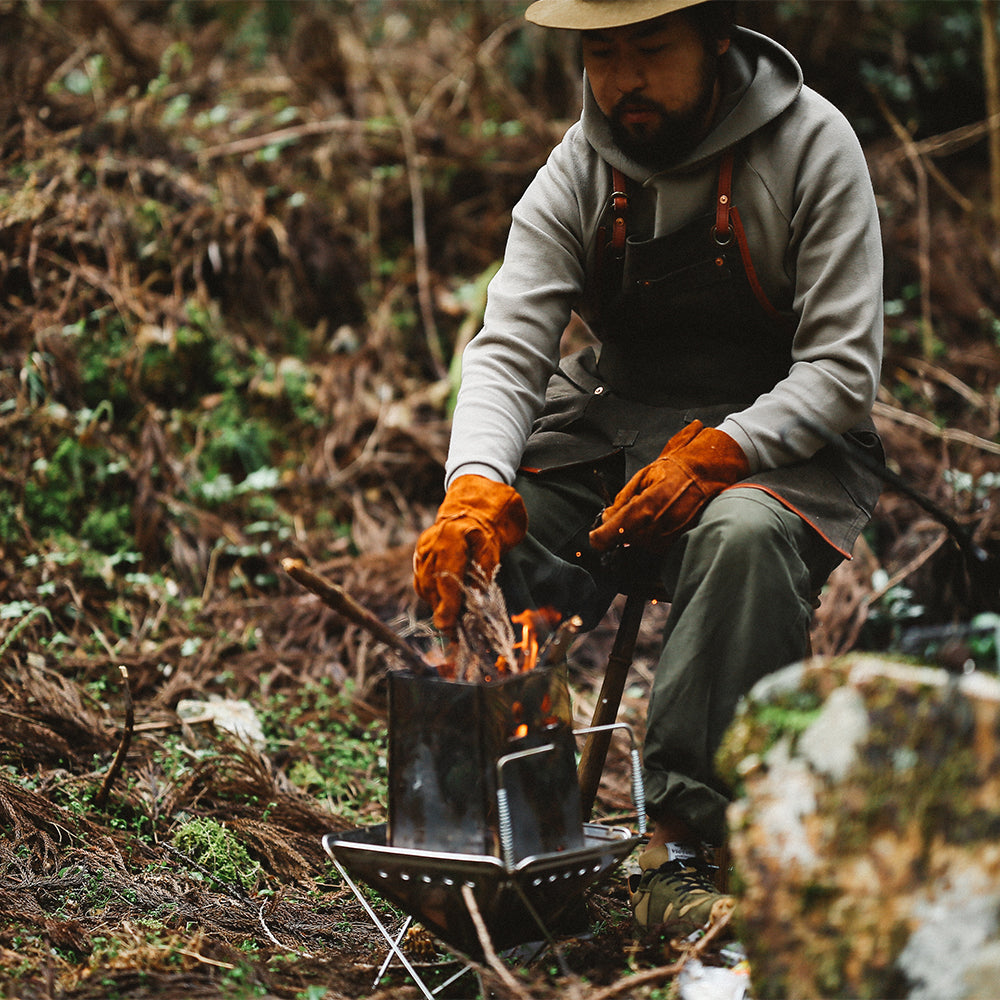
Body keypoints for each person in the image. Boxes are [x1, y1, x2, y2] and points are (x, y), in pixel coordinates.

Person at [413, 0, 884, 935]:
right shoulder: (577, 171)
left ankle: (686, 847)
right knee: (487, 543)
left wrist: (722, 451)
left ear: (718, 38)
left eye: (649, 49)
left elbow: (842, 368)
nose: (623, 78)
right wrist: (473, 483)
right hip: (608, 435)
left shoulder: (814, 149)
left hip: (779, 446)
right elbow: (510, 349)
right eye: (601, 53)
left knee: (742, 535)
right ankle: (505, 836)